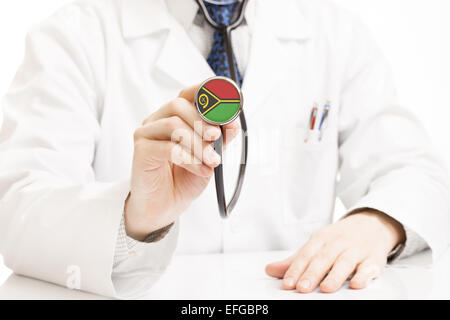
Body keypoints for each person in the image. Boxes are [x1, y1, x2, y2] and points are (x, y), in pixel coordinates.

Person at [0, 0, 449, 298]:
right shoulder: (74, 34)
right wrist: (136, 217)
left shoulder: (334, 31)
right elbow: (19, 210)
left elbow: (414, 171)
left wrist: (375, 222)